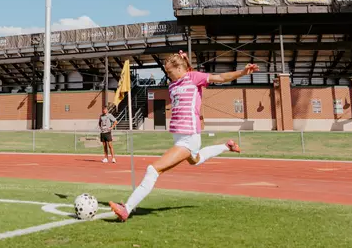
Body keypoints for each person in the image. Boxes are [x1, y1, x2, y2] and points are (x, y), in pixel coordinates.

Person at [109, 50, 259, 222]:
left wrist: (242, 72)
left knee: (153, 169)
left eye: (169, 72)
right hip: (178, 137)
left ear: (180, 68)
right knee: (196, 160)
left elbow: (221, 77)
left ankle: (126, 208)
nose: (167, 75)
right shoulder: (173, 84)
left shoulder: (195, 78)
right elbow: (186, 74)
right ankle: (227, 146)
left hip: (189, 137)